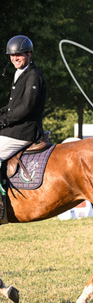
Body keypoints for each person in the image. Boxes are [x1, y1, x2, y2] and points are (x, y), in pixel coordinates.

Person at [0, 35, 47, 197]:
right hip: (15, 129)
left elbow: (26, 107)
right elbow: (12, 107)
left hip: (24, 131)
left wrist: (2, 121)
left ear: (29, 54)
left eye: (19, 55)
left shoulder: (34, 76)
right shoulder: (20, 73)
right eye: (12, 55)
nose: (15, 58)